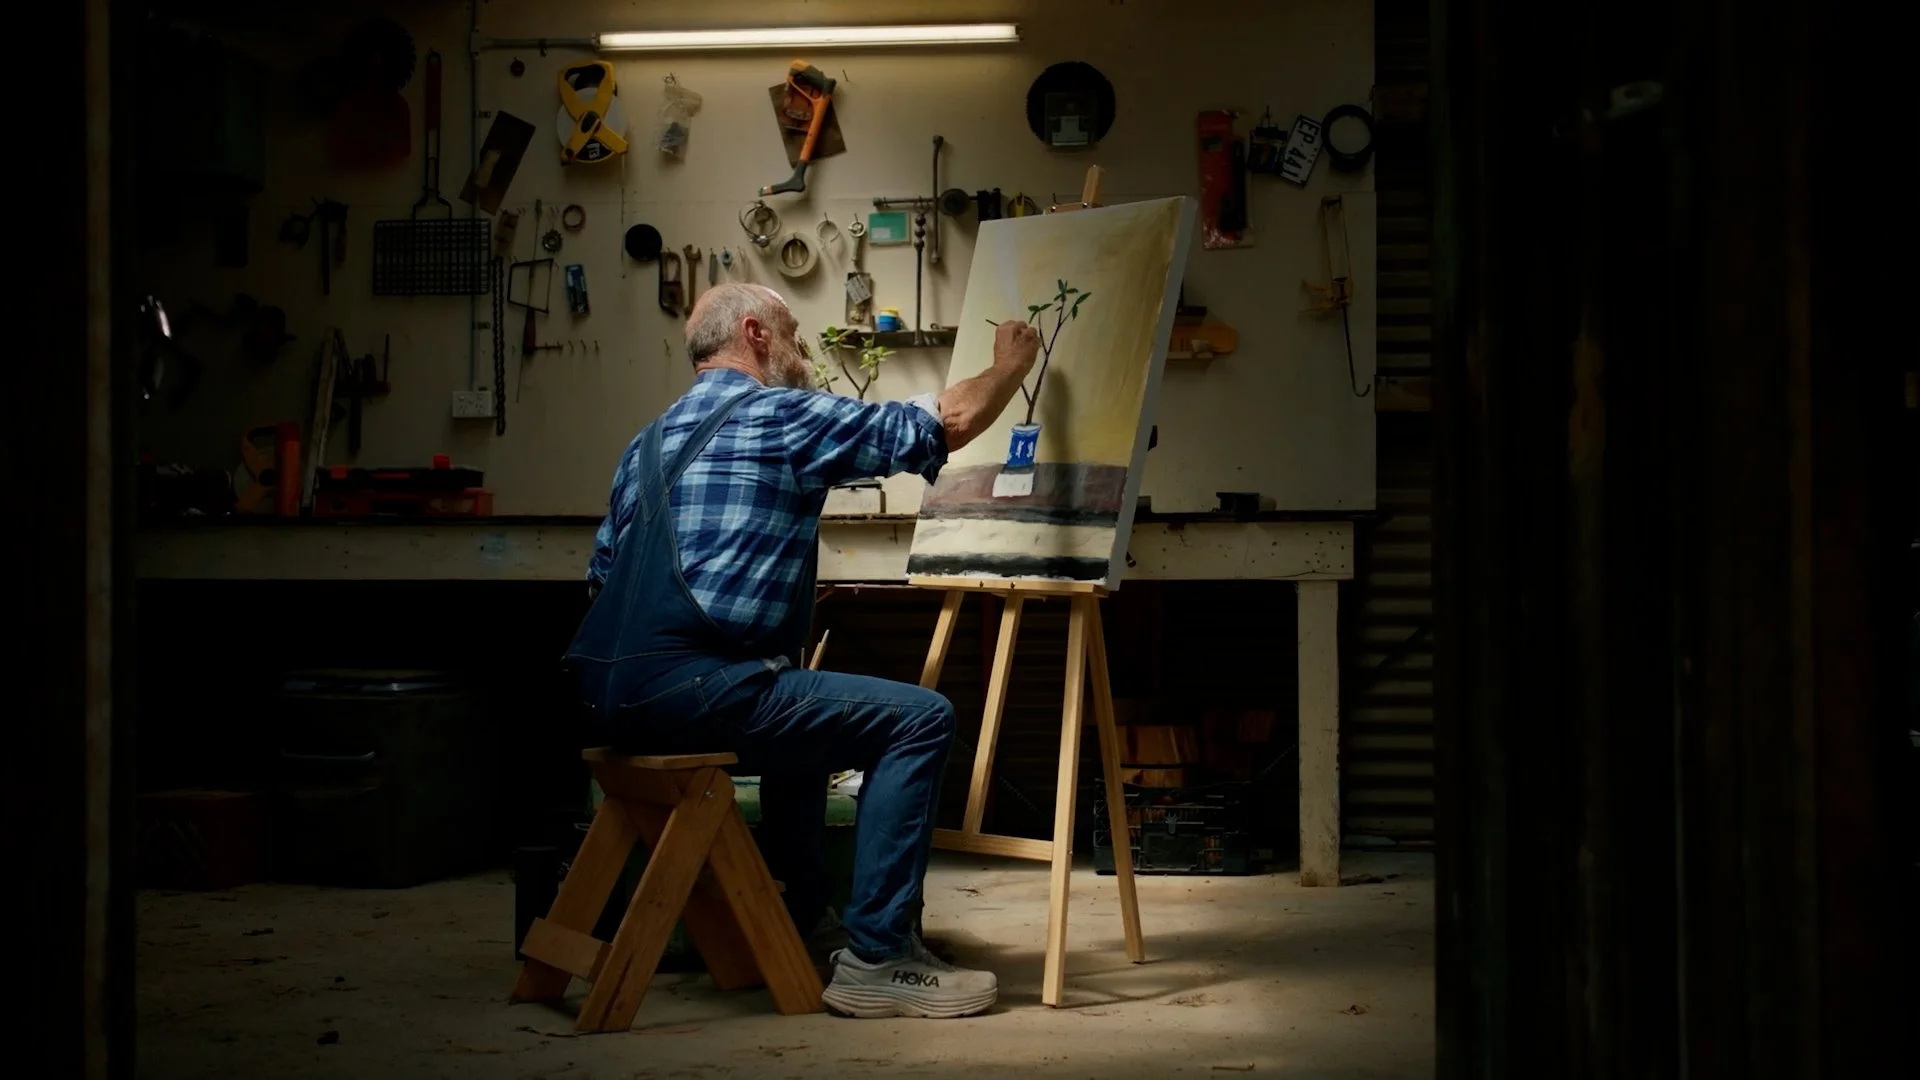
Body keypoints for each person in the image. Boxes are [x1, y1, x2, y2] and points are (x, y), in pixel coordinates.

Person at [568, 283, 1040, 1019]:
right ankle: (879, 958)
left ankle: (805, 917)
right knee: (919, 718)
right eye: (792, 334)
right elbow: (945, 421)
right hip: (697, 693)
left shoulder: (647, 442)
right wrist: (1010, 365)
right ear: (755, 334)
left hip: (607, 699)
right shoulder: (777, 414)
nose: (802, 351)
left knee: (805, 718)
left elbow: (604, 575)